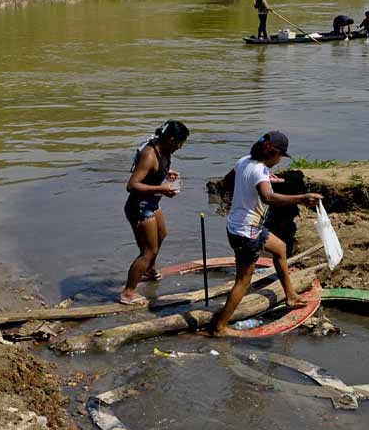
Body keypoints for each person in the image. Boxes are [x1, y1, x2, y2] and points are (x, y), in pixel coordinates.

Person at [211, 132, 322, 336]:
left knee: (280, 248)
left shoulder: (244, 161)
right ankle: (220, 328)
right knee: (243, 281)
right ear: (273, 153)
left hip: (244, 226)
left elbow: (226, 183)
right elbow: (269, 198)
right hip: (246, 233)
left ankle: (290, 296)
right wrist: (302, 198)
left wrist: (254, 185)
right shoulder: (259, 170)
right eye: (280, 156)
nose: (279, 161)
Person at [120, 120, 190, 306]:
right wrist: (162, 188)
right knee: (148, 251)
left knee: (161, 234)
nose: (180, 147)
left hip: (152, 202)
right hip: (140, 207)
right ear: (171, 139)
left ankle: (149, 270)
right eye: (179, 143)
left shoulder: (162, 147)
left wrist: (166, 172)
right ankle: (128, 292)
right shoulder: (149, 155)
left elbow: (153, 170)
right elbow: (132, 185)